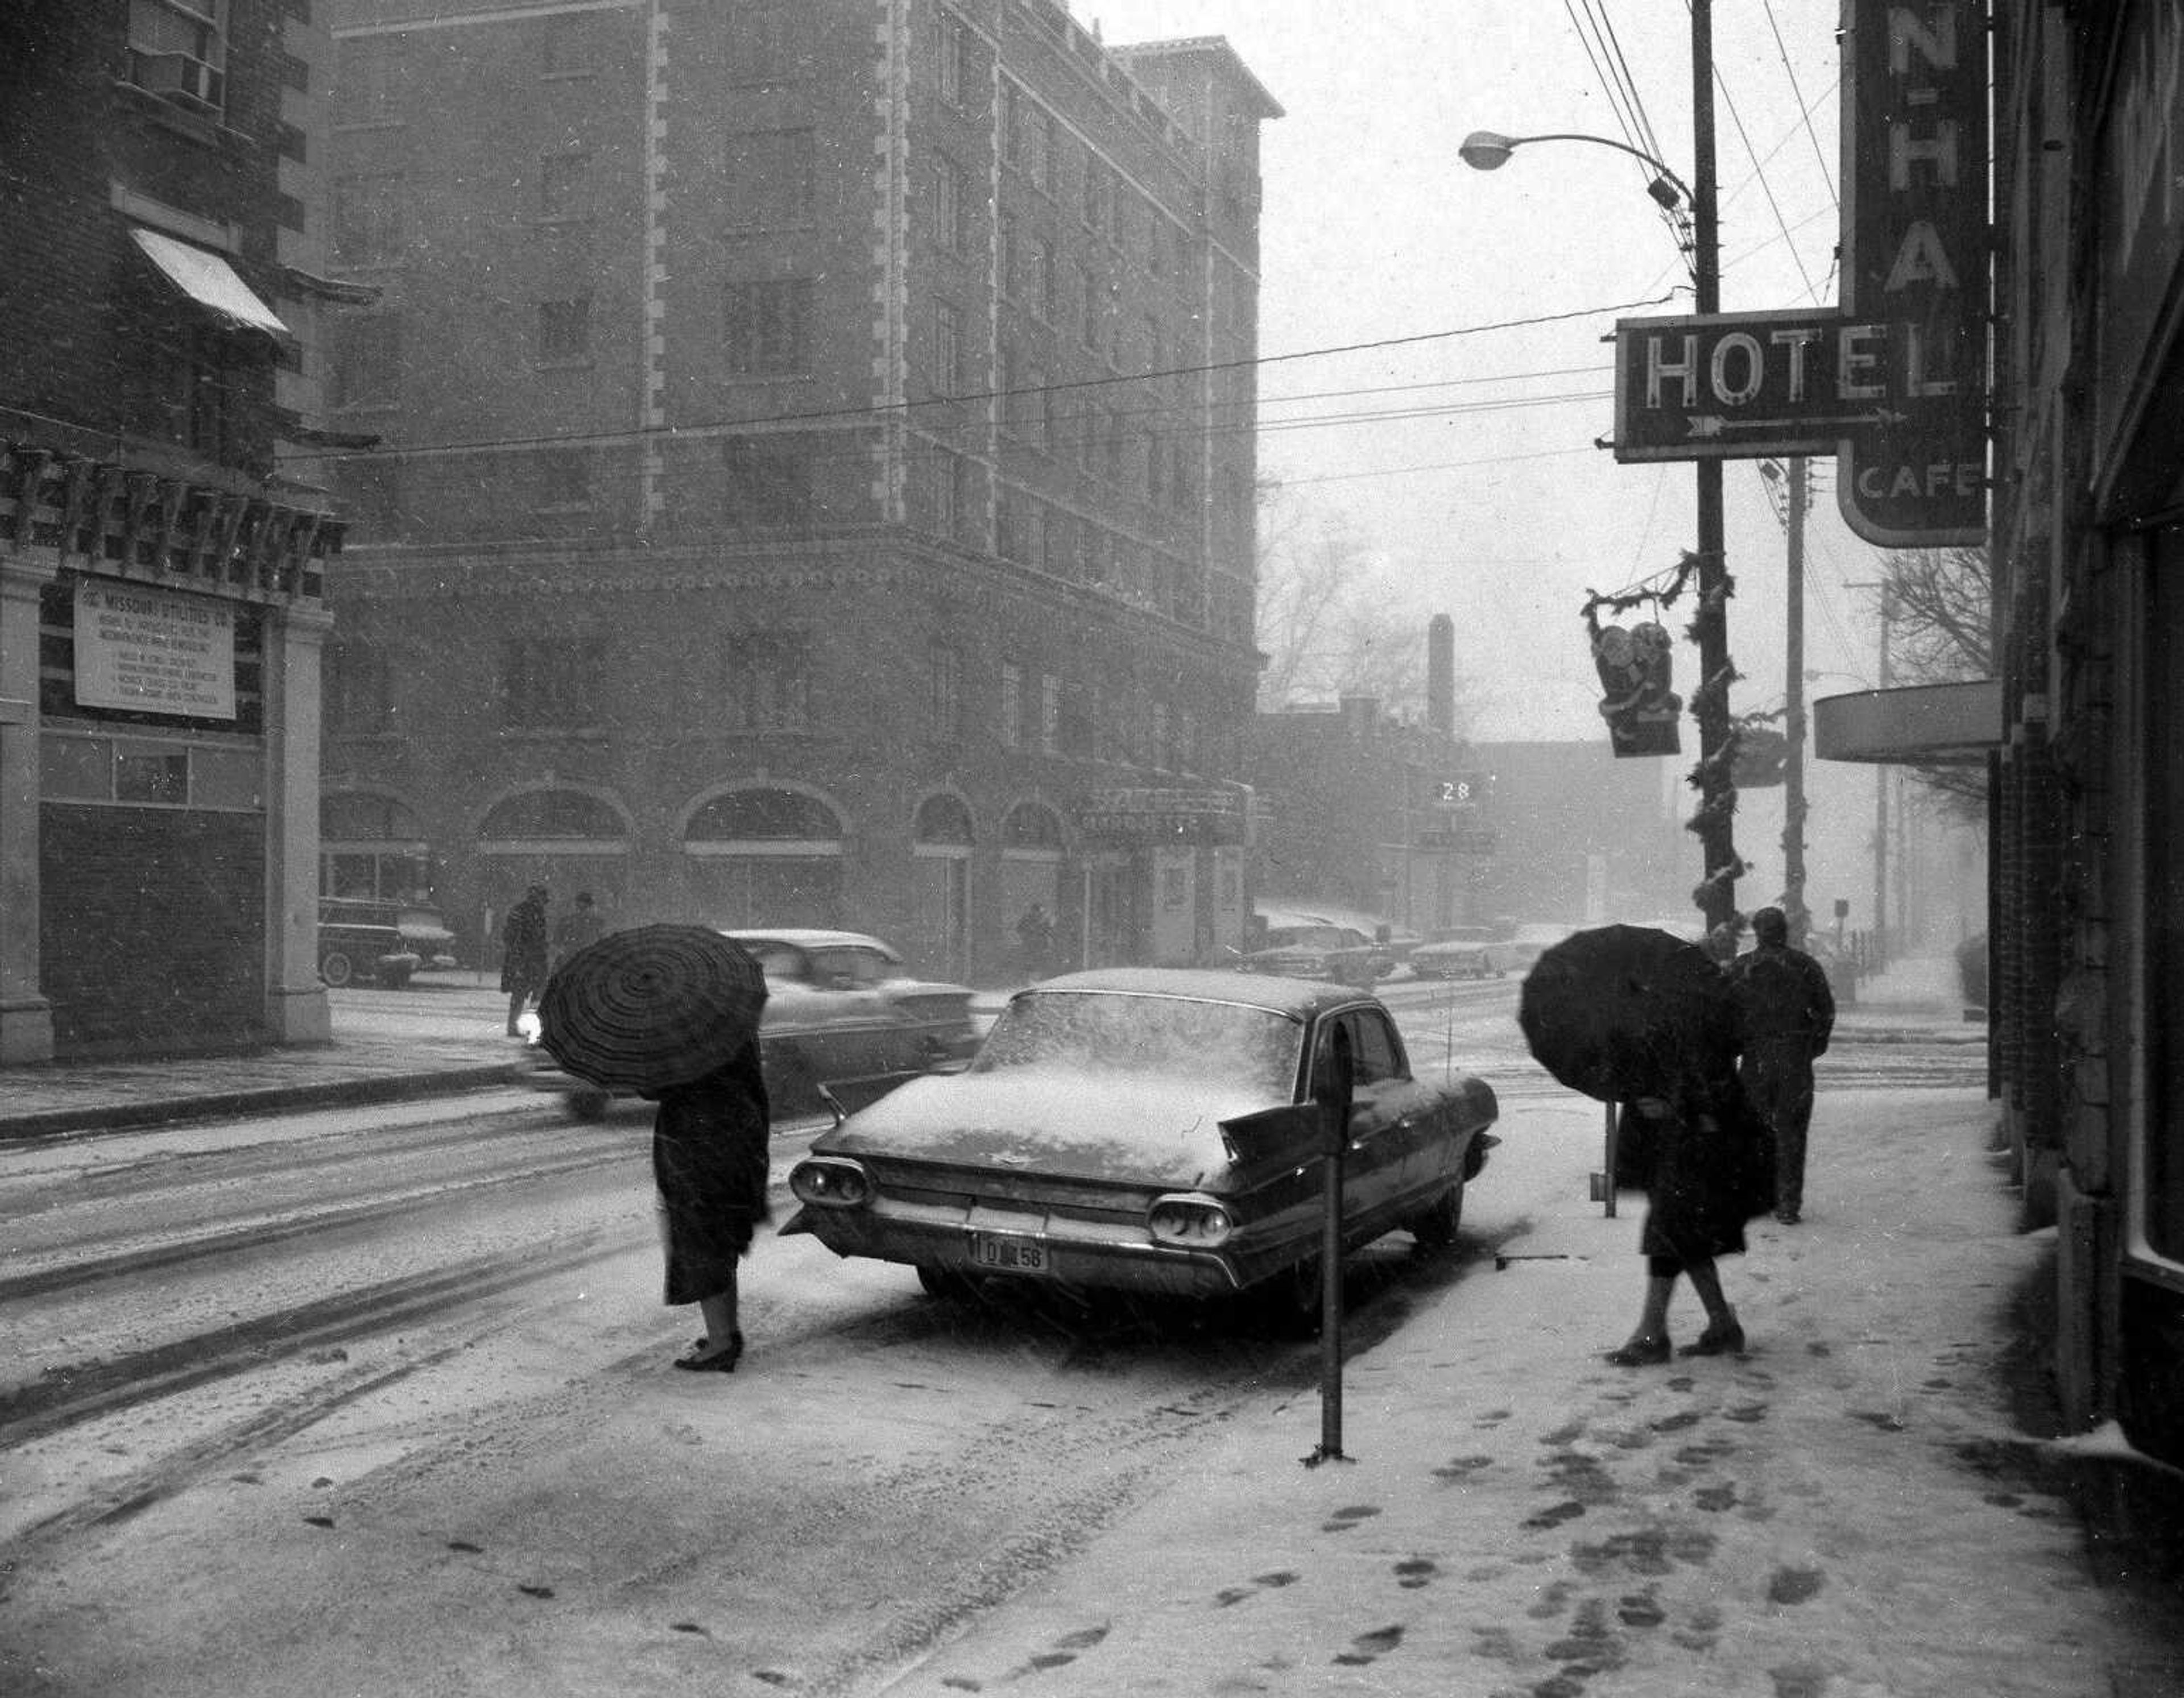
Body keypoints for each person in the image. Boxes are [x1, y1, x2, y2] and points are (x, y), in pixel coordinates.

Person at [1604, 1033, 1776, 1366]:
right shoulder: (1652, 1006)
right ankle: (1721, 1326)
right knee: (1684, 1234)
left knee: (1670, 1229)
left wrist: (1675, 1107)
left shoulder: (1699, 1009)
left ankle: (1652, 1334)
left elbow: (1717, 1085)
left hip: (1695, 1145)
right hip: (1662, 1141)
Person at [644, 1038, 771, 1372]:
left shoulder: (684, 1031)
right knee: (719, 1238)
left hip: (699, 1146)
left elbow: (657, 1086)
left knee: (700, 1241)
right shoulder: (724, 1021)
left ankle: (721, 1344)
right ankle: (726, 1333)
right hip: (733, 1138)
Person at [1727, 905, 1837, 1224]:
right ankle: (1788, 1203)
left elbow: (1725, 1014)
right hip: (1794, 1059)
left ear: (1758, 932)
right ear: (1784, 931)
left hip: (1755, 1059)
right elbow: (1825, 1011)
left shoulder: (1742, 968)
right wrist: (1812, 1046)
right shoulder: (1804, 966)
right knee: (1792, 1131)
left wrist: (1740, 1046)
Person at [499, 883, 551, 1036]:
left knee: (523, 994)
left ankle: (516, 1026)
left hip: (524, 959)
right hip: (527, 959)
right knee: (530, 993)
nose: (544, 903)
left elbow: (510, 936)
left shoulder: (523, 911)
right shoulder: (530, 913)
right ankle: (522, 1027)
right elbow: (515, 936)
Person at [552, 890, 607, 968]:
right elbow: (603, 943)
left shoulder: (566, 921)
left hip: (572, 960)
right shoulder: (598, 923)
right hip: (587, 961)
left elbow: (557, 942)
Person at [1016, 901, 1055, 982]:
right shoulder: (1030, 919)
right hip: (1034, 945)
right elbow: (1019, 929)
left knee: (1036, 962)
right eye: (1039, 910)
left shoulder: (1041, 920)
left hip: (1037, 945)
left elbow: (1048, 931)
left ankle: (1034, 980)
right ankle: (1033, 980)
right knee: (1034, 962)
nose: (1038, 913)